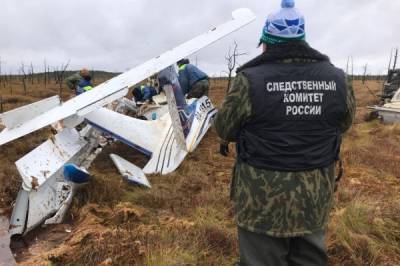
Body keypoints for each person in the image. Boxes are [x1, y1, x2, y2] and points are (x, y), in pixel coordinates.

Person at [214, 0, 356, 265]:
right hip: (314, 195)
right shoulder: (338, 79)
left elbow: (224, 128)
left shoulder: (249, 80)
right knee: (310, 259)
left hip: (261, 198)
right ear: (303, 39)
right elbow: (343, 124)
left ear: (267, 41)